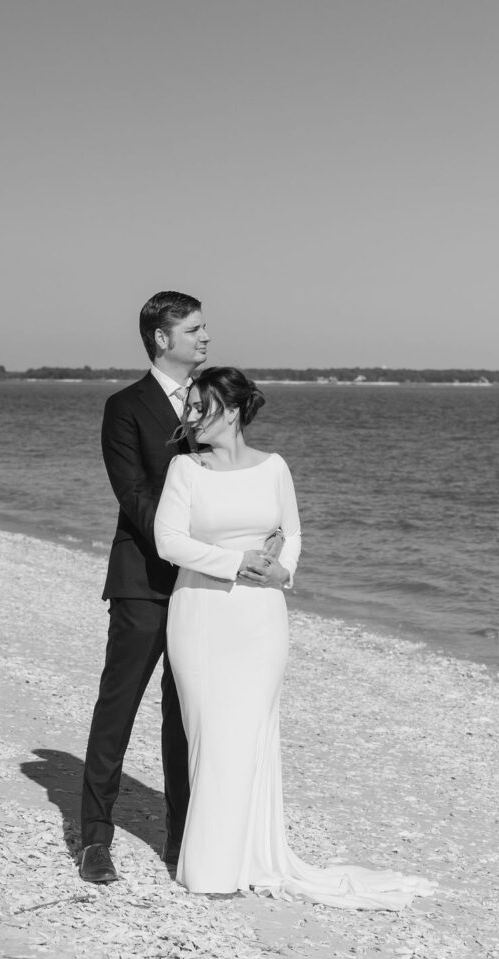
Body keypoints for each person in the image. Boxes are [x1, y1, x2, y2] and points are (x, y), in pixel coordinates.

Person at [154, 367, 436, 909]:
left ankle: (248, 859)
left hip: (261, 618)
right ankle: (211, 869)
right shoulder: (184, 469)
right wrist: (236, 563)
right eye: (187, 407)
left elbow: (294, 532)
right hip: (202, 614)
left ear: (231, 411)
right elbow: (169, 541)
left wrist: (284, 572)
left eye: (198, 407)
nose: (188, 417)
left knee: (250, 735)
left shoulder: (274, 467)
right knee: (211, 733)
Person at [79, 294, 282, 884]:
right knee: (118, 705)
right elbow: (134, 495)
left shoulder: (213, 403)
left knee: (186, 713)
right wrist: (200, 546)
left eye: (205, 327)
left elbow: (239, 473)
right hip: (145, 579)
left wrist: (261, 540)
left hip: (207, 590)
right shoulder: (124, 407)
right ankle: (95, 838)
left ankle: (183, 837)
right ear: (162, 338)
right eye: (194, 329)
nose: (206, 337)